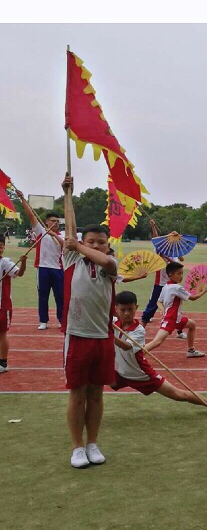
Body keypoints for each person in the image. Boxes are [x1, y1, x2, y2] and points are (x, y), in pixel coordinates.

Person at [60, 173, 119, 469]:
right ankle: (77, 447)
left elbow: (105, 261)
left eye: (101, 243)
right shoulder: (72, 260)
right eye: (91, 242)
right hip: (77, 335)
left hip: (103, 337)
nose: (97, 246)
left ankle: (93, 443)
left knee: (96, 394)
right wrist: (68, 194)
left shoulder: (110, 265)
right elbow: (71, 231)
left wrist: (79, 244)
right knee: (77, 394)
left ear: (108, 245)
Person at [110, 291, 207, 414]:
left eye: (130, 309)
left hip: (140, 374)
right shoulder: (113, 322)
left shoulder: (138, 330)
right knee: (96, 381)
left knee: (178, 394)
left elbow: (127, 347)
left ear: (136, 308)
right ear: (116, 309)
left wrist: (109, 334)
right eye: (123, 310)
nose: (127, 313)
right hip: (119, 371)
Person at [17, 189, 65, 330]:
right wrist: (22, 199)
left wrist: (54, 235)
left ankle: (62, 320)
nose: (56, 223)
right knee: (43, 295)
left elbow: (65, 245)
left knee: (60, 296)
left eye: (57, 222)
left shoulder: (62, 234)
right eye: (53, 221)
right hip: (43, 268)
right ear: (47, 222)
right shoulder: (40, 231)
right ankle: (43, 321)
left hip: (58, 269)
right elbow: (31, 215)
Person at [144, 261, 207, 357]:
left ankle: (191, 350)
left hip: (176, 319)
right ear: (170, 275)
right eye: (179, 274)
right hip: (171, 319)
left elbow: (158, 301)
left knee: (192, 325)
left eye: (182, 273)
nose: (181, 276)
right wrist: (203, 292)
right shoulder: (177, 288)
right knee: (157, 342)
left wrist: (162, 310)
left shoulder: (166, 286)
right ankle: (136, 355)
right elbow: (193, 298)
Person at [141, 219, 183, 327]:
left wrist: (167, 258)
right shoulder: (159, 250)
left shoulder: (174, 253)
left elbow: (178, 265)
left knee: (175, 306)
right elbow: (156, 239)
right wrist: (153, 226)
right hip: (160, 283)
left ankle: (179, 330)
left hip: (172, 284)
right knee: (152, 305)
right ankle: (142, 326)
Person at [0, 236, 27, 374]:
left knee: (2, 333)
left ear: (4, 247)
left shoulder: (5, 262)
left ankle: (3, 363)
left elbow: (19, 273)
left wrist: (23, 263)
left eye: (1, 246)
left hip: (2, 304)